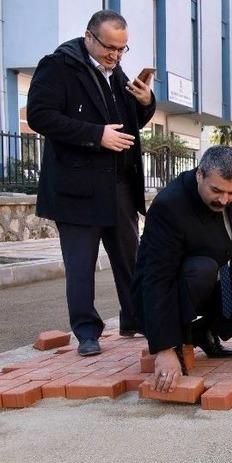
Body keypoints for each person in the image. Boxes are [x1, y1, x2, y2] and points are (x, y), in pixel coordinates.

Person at [27, 10, 156, 356]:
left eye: (122, 49)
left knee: (132, 259)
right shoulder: (57, 66)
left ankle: (135, 317)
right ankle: (87, 331)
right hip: (76, 188)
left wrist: (146, 103)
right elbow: (40, 116)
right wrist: (95, 135)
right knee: (81, 265)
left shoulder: (116, 74)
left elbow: (130, 123)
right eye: (110, 47)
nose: (115, 55)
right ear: (89, 37)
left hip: (120, 185)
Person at [134, 146, 232, 393]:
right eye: (216, 191)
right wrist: (163, 349)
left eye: (231, 193)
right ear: (199, 174)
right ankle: (177, 341)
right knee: (202, 268)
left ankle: (202, 333)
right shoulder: (169, 206)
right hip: (169, 292)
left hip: (212, 284)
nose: (224, 200)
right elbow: (156, 279)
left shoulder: (230, 195)